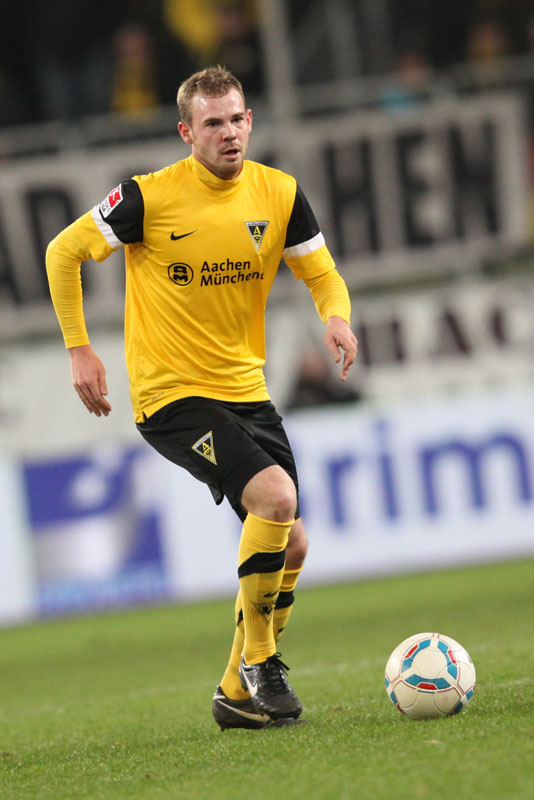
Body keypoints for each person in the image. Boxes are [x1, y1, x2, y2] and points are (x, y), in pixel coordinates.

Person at [46, 66, 358, 730]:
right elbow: (62, 252)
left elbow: (322, 273)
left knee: (293, 545)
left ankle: (235, 695)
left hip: (247, 390)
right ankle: (260, 662)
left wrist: (336, 317)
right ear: (187, 133)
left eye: (237, 119)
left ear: (250, 120)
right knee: (276, 498)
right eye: (213, 123)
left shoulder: (279, 193)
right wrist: (79, 349)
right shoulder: (147, 198)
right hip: (171, 394)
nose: (229, 133)